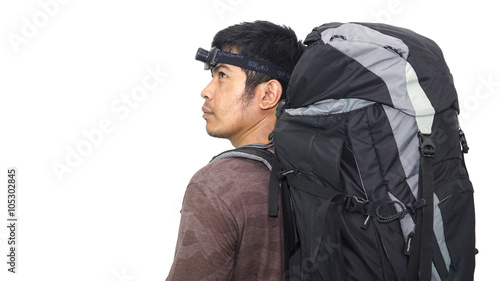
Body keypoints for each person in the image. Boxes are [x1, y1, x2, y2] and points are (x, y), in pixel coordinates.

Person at [166, 21, 303, 280]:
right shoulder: (317, 171)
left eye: (222, 75)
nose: (206, 92)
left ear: (268, 94)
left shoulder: (217, 184)